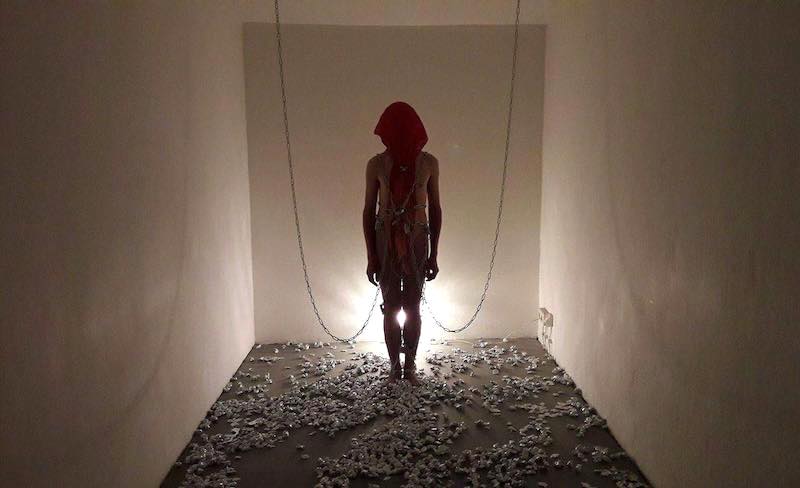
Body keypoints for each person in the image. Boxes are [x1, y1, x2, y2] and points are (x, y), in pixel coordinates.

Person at [363, 101, 441, 385]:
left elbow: (435, 209)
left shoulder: (428, 163)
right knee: (391, 306)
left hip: (417, 242)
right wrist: (371, 256)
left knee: (413, 307)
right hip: (386, 242)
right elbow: (368, 210)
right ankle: (395, 368)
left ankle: (410, 367)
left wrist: (434, 255)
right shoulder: (376, 165)